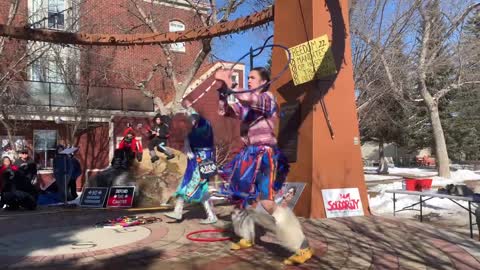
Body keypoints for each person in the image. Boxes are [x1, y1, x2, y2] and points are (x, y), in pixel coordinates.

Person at [214, 67, 313, 265]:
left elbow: (250, 99)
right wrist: (222, 93)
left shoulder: (268, 99)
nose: (248, 80)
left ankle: (302, 247)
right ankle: (246, 237)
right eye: (248, 77)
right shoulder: (247, 106)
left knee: (267, 203)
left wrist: (230, 84)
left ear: (263, 82)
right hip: (247, 155)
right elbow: (224, 111)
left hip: (265, 155)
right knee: (240, 199)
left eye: (252, 78)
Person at [164, 110, 218, 224]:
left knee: (192, 186)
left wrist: (188, 141)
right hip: (194, 162)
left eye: (193, 118)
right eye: (191, 119)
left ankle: (179, 211)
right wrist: (187, 145)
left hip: (202, 160)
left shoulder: (205, 126)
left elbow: (199, 137)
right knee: (189, 185)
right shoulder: (195, 129)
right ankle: (179, 211)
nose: (192, 121)